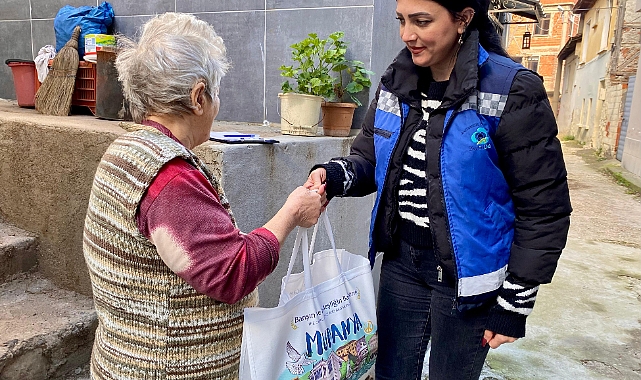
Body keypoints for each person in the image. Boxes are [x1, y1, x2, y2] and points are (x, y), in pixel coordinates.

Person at [305, 0, 572, 379]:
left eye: (422, 21)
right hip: (402, 264)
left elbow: (544, 206)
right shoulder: (397, 81)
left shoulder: (511, 89)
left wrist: (516, 300)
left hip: (470, 279)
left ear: (463, 18)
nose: (406, 35)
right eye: (401, 20)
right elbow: (371, 159)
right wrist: (334, 175)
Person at [82, 13, 324, 379]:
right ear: (198, 97)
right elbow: (233, 273)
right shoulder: (170, 178)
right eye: (216, 91)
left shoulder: (126, 150)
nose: (217, 104)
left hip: (120, 360)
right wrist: (291, 212)